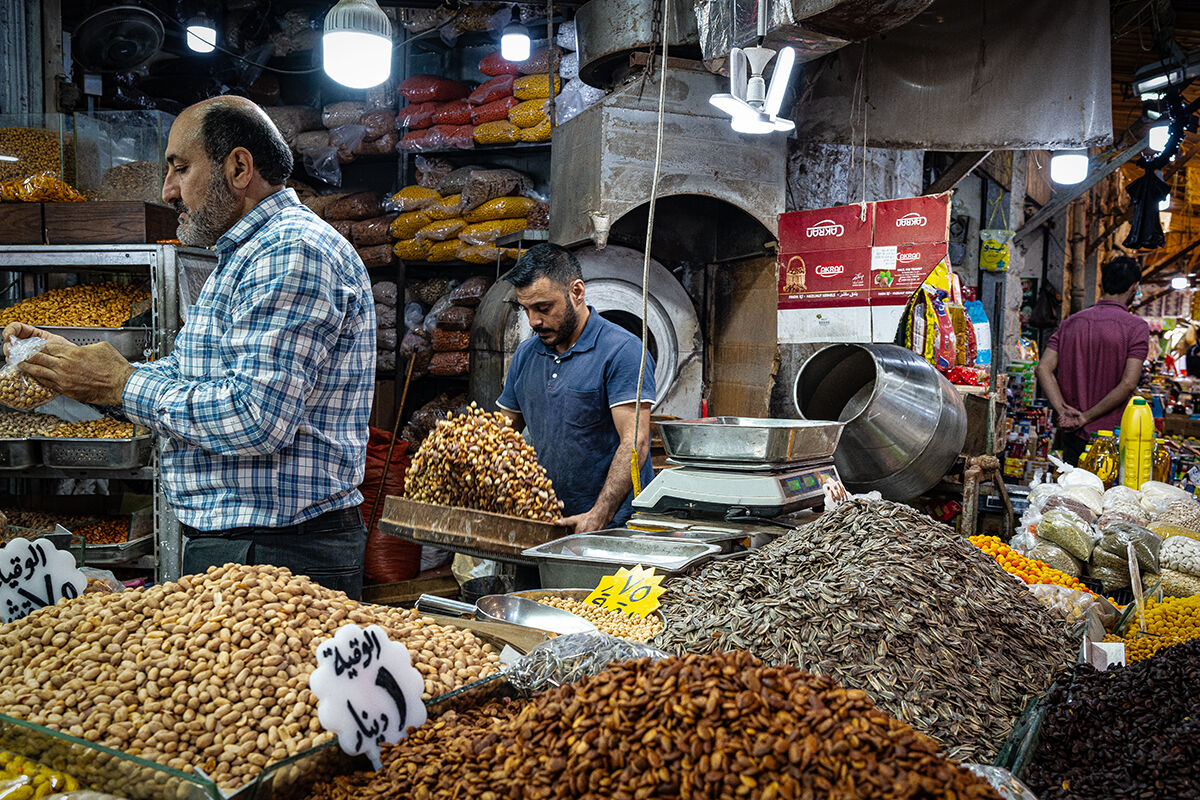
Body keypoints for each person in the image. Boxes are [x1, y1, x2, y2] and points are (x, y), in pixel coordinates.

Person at [6, 96, 376, 598]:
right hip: (252, 547)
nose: (168, 191)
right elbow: (188, 376)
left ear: (239, 168)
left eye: (180, 168)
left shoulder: (290, 251)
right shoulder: (244, 255)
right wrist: (72, 365)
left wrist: (122, 383)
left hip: (279, 551)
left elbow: (255, 418)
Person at [496, 244, 655, 533]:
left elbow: (636, 442)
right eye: (526, 309)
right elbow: (502, 434)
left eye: (544, 308)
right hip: (547, 517)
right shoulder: (526, 354)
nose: (534, 321)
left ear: (577, 292)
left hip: (614, 526)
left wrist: (599, 515)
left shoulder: (622, 350)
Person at [1036, 255, 1149, 466]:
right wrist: (1086, 417)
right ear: (1134, 287)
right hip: (1111, 438)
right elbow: (1128, 383)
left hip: (1072, 433)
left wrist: (1062, 410)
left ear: (1102, 285)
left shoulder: (1071, 323)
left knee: (1072, 485)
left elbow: (1043, 368)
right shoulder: (1136, 327)